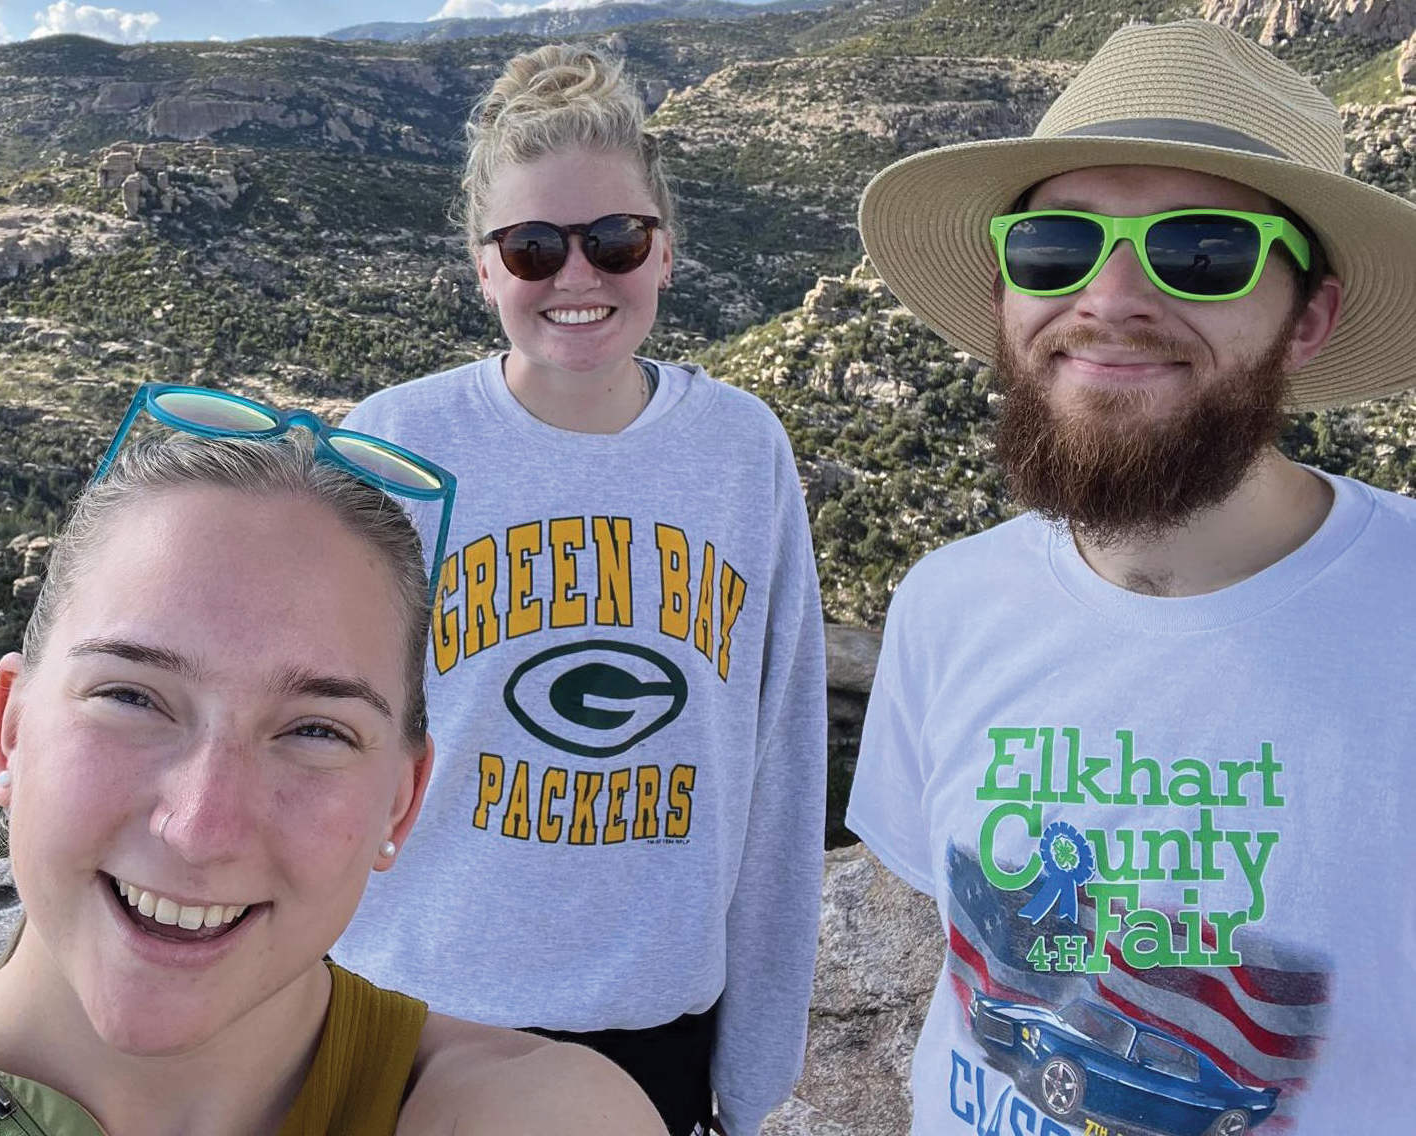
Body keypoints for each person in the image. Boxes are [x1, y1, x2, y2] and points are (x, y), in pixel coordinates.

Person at [0, 387, 666, 1136]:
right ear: (10, 732)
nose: (202, 826)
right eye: (133, 697)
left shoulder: (523, 1110)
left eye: (316, 730)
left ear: (400, 804)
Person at [849, 18, 1416, 1135]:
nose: (1107, 299)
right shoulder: (944, 605)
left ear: (1309, 318)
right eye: (1053, 248)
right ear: (1006, 296)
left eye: (1201, 251)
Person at [330, 43, 828, 1136]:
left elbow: (782, 760)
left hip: (649, 1025)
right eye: (532, 247)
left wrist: (752, 1077)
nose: (576, 276)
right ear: (484, 269)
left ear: (664, 252)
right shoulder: (394, 444)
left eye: (614, 240)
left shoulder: (741, 451)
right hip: (402, 1010)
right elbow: (304, 730)